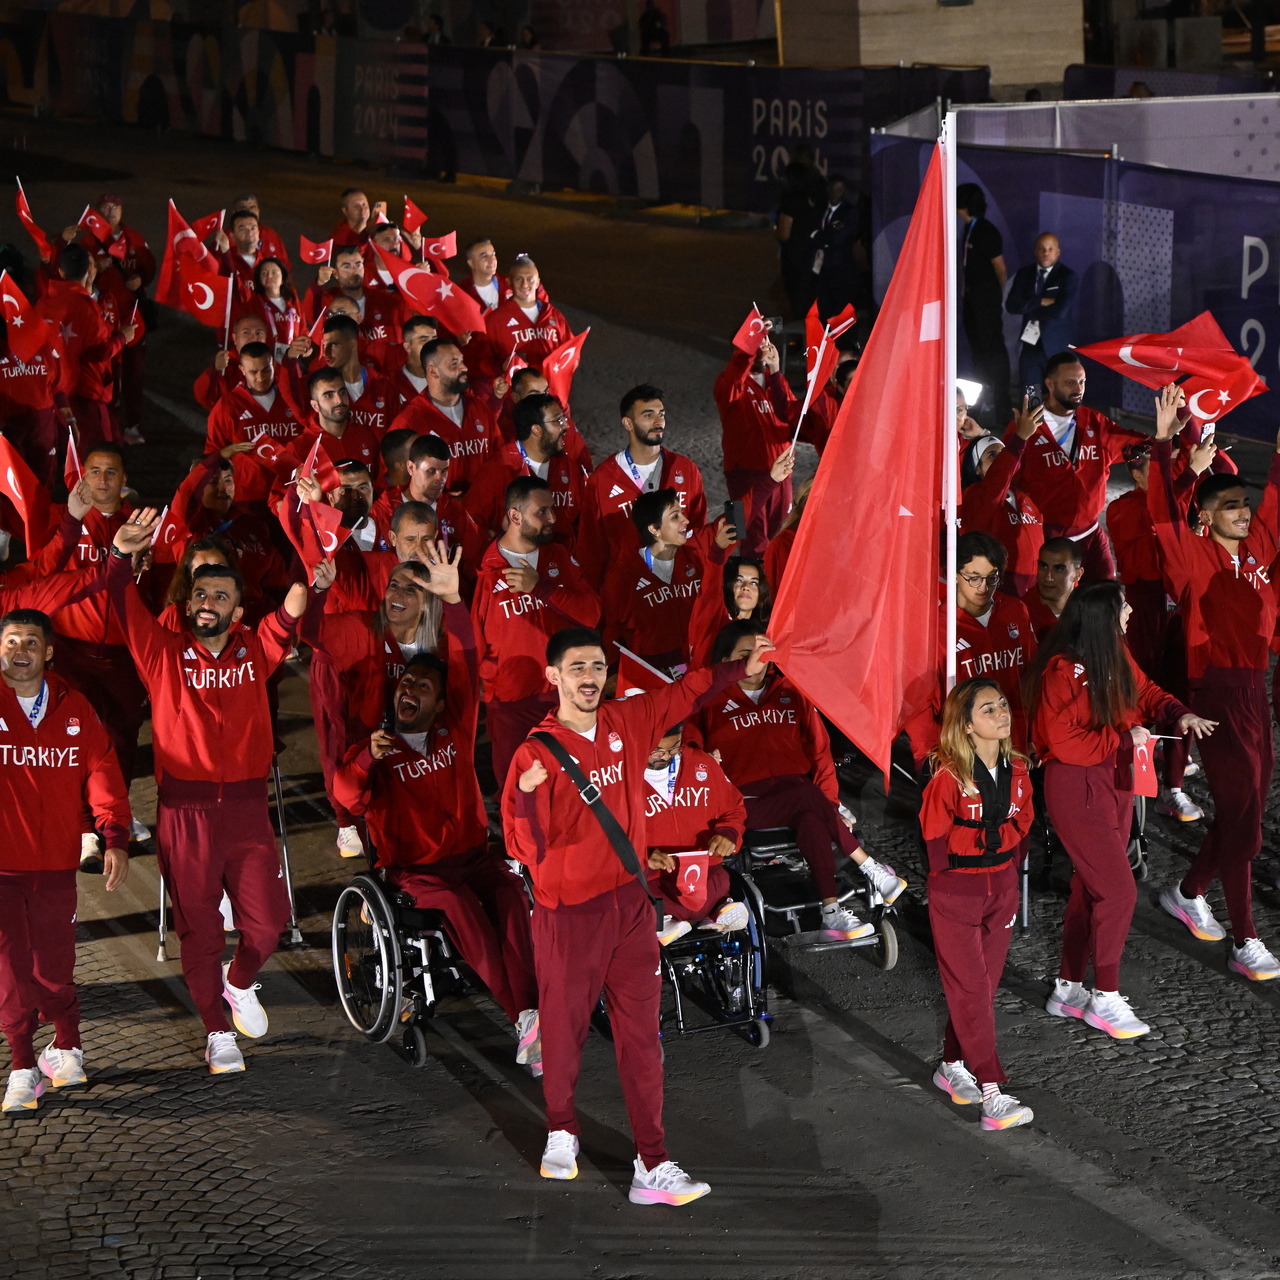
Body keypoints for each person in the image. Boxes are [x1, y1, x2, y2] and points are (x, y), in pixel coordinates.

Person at [502, 624, 774, 1202]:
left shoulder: (630, 720)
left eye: (597, 667)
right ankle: (561, 1128)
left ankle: (652, 1163)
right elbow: (524, 851)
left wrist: (735, 668)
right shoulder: (535, 754)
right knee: (564, 1027)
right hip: (568, 914)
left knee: (642, 1037)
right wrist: (527, 795)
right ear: (553, 677)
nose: (589, 678)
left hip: (628, 906)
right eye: (577, 668)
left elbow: (687, 692)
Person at [107, 509, 334, 1074]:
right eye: (201, 593)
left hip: (247, 810)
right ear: (188, 602)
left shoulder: (256, 649)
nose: (208, 602)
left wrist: (312, 563)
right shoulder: (161, 653)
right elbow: (123, 606)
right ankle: (215, 1032)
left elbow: (294, 607)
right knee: (200, 929)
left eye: (221, 595)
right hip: (184, 814)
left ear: (237, 608)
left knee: (268, 922)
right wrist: (117, 555)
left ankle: (238, 983)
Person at [333, 543, 542, 1070]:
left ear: (440, 701)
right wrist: (363, 763)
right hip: (414, 872)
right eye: (406, 684)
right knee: (462, 908)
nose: (411, 691)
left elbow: (466, 660)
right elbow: (345, 794)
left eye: (423, 687)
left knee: (514, 898)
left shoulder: (456, 727)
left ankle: (536, 1010)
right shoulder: (378, 746)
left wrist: (452, 601)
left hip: (472, 856)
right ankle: (524, 1016)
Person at [1027, 581, 1213, 1038]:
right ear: (1102, 617)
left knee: (1089, 889)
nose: (1130, 611)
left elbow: (1146, 691)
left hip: (1115, 782)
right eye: (1122, 605)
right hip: (1079, 786)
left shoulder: (1113, 651)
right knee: (1120, 891)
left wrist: (1177, 713)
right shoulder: (1061, 671)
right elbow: (1062, 741)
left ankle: (1069, 988)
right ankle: (1105, 997)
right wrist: (1121, 738)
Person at [1147, 385, 1280, 980]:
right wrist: (1161, 442)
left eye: (1242, 502)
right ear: (1206, 514)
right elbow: (1160, 512)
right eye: (1228, 504)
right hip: (1217, 697)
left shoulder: (1257, 548)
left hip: (1258, 692)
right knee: (1244, 818)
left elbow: (1277, 494)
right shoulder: (1190, 556)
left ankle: (1189, 888)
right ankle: (1244, 938)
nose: (1242, 510)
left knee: (1245, 811)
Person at [692, 620, 906, 939]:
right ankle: (870, 867)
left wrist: (830, 806)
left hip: (798, 798)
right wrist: (705, 759)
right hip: (743, 805)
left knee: (812, 820)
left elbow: (820, 753)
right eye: (745, 653)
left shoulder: (792, 691)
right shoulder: (707, 702)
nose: (756, 660)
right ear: (725, 660)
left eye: (762, 652)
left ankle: (830, 913)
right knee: (807, 798)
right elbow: (689, 754)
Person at [0, 609, 131, 1115]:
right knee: (10, 971)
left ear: (48, 651)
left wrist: (114, 836)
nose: (20, 650)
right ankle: (21, 1067)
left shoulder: (75, 709)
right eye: (11, 640)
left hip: (54, 866)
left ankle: (67, 1043)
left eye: (30, 641)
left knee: (54, 968)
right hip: (3, 870)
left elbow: (103, 769)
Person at [921, 679, 1035, 1132]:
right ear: (966, 726)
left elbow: (1024, 823)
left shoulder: (1020, 769)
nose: (1002, 714)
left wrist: (1001, 863)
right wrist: (962, 876)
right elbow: (933, 839)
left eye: (1003, 705)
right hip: (956, 895)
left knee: (981, 991)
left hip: (1002, 888)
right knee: (971, 990)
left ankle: (951, 1065)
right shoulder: (947, 777)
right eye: (988, 710)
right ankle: (991, 1092)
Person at [1106, 438, 1211, 823]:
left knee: (1182, 692)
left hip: (1180, 609)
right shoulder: (1120, 509)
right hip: (1144, 609)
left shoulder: (1183, 501)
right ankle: (1135, 770)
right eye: (1154, 468)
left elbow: (1227, 476)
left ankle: (1175, 786)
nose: (1164, 476)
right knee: (1142, 692)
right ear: (1136, 472)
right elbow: (1157, 516)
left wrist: (1193, 425)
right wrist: (1188, 477)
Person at [473, 477, 600, 787]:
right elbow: (476, 641)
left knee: (573, 783)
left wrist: (542, 588)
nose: (552, 519)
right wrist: (494, 693)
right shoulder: (488, 572)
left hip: (564, 697)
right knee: (517, 785)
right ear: (515, 517)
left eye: (552, 510)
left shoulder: (557, 556)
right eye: (542, 512)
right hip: (514, 706)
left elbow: (591, 614)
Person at [1006, 352, 1146, 580]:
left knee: (1108, 599)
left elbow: (1139, 444)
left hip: (1090, 535)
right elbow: (1004, 478)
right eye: (1070, 382)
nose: (1078, 388)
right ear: (1049, 384)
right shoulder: (1025, 427)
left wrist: (1170, 433)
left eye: (1082, 382)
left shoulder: (1095, 422)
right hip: (1045, 540)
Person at [906, 530, 1033, 765]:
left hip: (1015, 748)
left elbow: (1030, 678)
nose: (983, 587)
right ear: (953, 575)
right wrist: (931, 757)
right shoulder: (935, 628)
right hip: (962, 755)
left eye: (992, 577)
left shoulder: (1016, 611)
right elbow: (919, 705)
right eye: (973, 577)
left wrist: (1036, 736)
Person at [577, 384, 707, 590]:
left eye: (661, 414)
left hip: (679, 586)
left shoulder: (685, 469)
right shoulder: (602, 480)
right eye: (648, 415)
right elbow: (592, 548)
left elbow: (699, 531)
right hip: (627, 591)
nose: (658, 422)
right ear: (628, 423)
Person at [603, 490, 734, 675]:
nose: (686, 521)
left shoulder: (695, 551)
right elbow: (611, 630)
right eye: (675, 516)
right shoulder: (622, 576)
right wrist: (610, 673)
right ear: (654, 529)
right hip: (654, 677)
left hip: (705, 665)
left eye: (682, 513)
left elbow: (734, 521)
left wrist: (770, 481)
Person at [642, 723, 749, 945]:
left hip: (703, 871)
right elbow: (602, 833)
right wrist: (641, 855)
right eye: (657, 751)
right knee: (639, 892)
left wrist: (728, 834)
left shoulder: (702, 763)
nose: (666, 757)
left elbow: (734, 808)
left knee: (718, 881)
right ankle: (662, 920)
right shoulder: (617, 776)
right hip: (655, 879)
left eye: (674, 748)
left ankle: (715, 912)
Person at [35, 243, 135, 452]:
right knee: (96, 455)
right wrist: (122, 338)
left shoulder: (44, 303)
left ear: (61, 272)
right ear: (89, 269)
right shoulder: (87, 306)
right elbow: (100, 351)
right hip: (85, 391)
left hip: (51, 393)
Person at [463, 393, 585, 542]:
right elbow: (471, 521)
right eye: (558, 420)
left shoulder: (568, 466)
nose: (566, 426)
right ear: (536, 430)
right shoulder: (498, 468)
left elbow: (582, 520)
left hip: (560, 561)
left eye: (564, 419)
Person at [713, 324, 795, 544]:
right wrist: (747, 347)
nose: (761, 351)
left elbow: (789, 413)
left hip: (782, 476)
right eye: (754, 347)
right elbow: (734, 376)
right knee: (751, 541)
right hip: (746, 477)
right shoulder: (727, 383)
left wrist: (776, 370)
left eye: (764, 344)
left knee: (781, 537)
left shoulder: (775, 381)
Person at [388, 338, 503, 494]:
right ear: (433, 371)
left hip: (484, 511)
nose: (464, 368)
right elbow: (398, 481)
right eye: (454, 363)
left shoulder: (479, 408)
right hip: (439, 513)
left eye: (462, 361)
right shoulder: (409, 421)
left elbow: (499, 457)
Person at [956, 183, 1009, 426]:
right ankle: (978, 406)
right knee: (978, 353)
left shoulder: (986, 231)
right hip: (971, 303)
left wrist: (996, 297)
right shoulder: (968, 229)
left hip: (986, 303)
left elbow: (1000, 268)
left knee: (993, 352)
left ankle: (1002, 406)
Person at [1004, 233, 1077, 389]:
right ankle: (1034, 414)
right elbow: (1012, 306)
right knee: (1032, 398)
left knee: (1058, 398)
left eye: (1050, 249)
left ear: (1058, 251)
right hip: (1031, 348)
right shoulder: (1024, 274)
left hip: (1057, 349)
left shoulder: (1067, 276)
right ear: (1036, 251)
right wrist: (1041, 301)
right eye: (1042, 249)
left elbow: (1060, 312)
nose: (1046, 253)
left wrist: (1029, 304)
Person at [482, 256, 571, 376]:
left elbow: (570, 351)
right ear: (509, 282)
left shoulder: (554, 315)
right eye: (519, 279)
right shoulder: (496, 320)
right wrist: (501, 367)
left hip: (550, 391)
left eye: (530, 279)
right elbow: (483, 361)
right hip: (514, 392)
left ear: (538, 283)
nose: (525, 284)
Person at [193, 312, 273, 411]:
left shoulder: (276, 365)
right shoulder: (225, 367)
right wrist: (215, 370)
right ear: (235, 338)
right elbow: (204, 397)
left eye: (258, 333)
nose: (253, 338)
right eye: (246, 333)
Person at [810, 174, 862, 322]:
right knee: (822, 307)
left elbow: (837, 239)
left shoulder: (850, 212)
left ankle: (842, 342)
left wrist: (818, 236)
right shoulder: (820, 209)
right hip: (821, 267)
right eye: (832, 189)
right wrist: (824, 237)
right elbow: (810, 231)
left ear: (845, 191)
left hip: (841, 268)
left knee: (840, 309)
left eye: (839, 190)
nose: (835, 193)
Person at [775, 163, 819, 320]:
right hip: (812, 254)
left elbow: (784, 233)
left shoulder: (790, 201)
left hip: (794, 256)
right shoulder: (813, 197)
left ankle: (801, 337)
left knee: (797, 300)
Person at [1023, 536, 1083, 643]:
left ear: (1077, 574)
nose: (1048, 577)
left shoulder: (1091, 608)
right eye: (1043, 566)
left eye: (1058, 569)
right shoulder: (1021, 613)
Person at [458, 238, 510, 314]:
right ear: (471, 263)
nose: (492, 260)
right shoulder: (461, 293)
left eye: (493, 254)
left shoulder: (510, 284)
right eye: (484, 256)